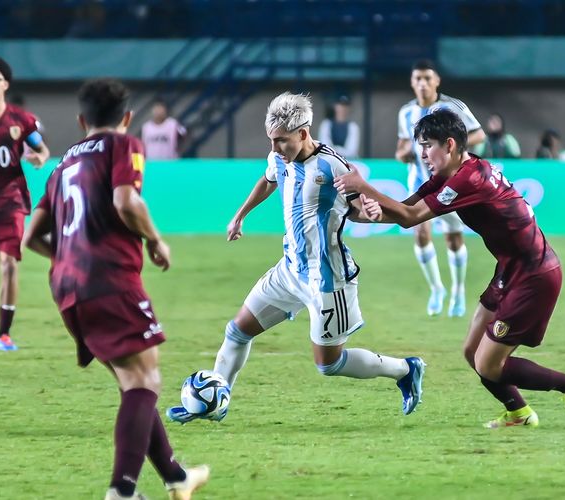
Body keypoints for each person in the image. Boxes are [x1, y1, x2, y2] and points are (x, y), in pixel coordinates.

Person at [166, 92, 425, 424]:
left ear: (304, 133)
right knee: (237, 331)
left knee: (328, 364)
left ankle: (405, 369)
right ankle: (218, 402)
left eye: (281, 141)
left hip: (328, 279)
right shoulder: (279, 158)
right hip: (289, 270)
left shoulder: (333, 166)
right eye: (271, 140)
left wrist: (371, 209)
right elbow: (268, 179)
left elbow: (359, 208)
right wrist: (240, 215)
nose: (275, 148)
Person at [335, 109, 565, 429]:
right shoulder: (455, 170)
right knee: (472, 351)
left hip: (534, 275)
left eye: (427, 146)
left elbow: (408, 217)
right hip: (510, 269)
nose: (422, 155)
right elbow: (407, 208)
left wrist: (364, 185)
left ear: (448, 145)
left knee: (488, 364)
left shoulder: (468, 179)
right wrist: (357, 211)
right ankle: (519, 413)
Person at [22, 78, 208, 500]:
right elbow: (127, 201)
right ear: (127, 118)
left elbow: (31, 237)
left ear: (81, 120)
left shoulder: (62, 164)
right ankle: (121, 492)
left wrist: (70, 259)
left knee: (133, 380)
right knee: (145, 381)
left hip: (66, 287)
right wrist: (155, 241)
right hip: (108, 279)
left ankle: (177, 478)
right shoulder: (124, 145)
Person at [396, 59, 485, 318]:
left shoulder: (452, 106)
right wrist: (403, 153)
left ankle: (458, 291)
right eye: (417, 79)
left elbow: (478, 134)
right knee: (420, 234)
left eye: (427, 78)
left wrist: (452, 150)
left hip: (450, 182)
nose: (422, 83)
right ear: (412, 83)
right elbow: (402, 145)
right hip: (420, 181)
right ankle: (437, 289)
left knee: (452, 238)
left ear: (437, 81)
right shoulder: (405, 113)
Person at [0, 56, 50, 351]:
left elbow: (42, 148)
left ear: (5, 85)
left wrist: (40, 157)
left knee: (10, 264)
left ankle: (3, 334)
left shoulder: (21, 119)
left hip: (12, 202)